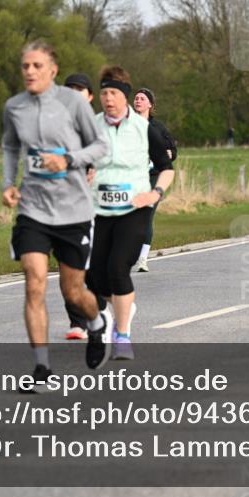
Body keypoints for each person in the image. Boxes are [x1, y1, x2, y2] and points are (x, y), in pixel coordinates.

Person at [2, 41, 112, 386]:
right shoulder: (14, 107)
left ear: (52, 70)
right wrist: (8, 182)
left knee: (73, 292)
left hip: (73, 210)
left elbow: (100, 146)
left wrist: (67, 160)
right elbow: (9, 146)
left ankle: (96, 325)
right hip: (33, 207)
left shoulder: (72, 103)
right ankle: (41, 367)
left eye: (37, 66)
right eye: (25, 66)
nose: (30, 72)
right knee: (33, 281)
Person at [88, 67, 174, 360]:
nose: (108, 99)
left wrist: (155, 193)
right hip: (99, 210)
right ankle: (125, 304)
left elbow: (166, 167)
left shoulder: (143, 129)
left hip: (133, 209)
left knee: (117, 267)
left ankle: (122, 335)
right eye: (104, 93)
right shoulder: (90, 127)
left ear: (124, 96)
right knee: (95, 279)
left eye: (113, 93)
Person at [61, 72, 97, 341]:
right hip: (63, 205)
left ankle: (99, 312)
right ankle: (77, 322)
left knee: (95, 267)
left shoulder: (99, 125)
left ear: (90, 96)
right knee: (70, 265)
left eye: (80, 90)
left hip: (98, 207)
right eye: (70, 89)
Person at [133, 87, 177, 271]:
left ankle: (142, 259)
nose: (138, 101)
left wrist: (168, 153)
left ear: (150, 104)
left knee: (146, 216)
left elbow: (172, 152)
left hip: (153, 176)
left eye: (142, 99)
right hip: (132, 177)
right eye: (135, 98)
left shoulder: (158, 128)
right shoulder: (127, 125)